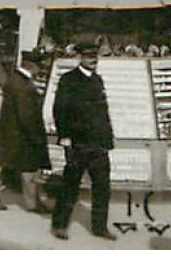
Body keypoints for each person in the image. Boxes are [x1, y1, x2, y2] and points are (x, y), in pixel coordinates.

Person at [50, 42, 116, 241]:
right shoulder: (69, 80)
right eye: (88, 57)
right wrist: (65, 136)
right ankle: (60, 225)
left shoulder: (97, 80)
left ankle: (99, 227)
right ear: (79, 58)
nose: (93, 60)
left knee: (102, 187)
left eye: (95, 56)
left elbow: (103, 112)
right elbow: (59, 109)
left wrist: (108, 139)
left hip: (98, 144)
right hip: (77, 143)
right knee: (70, 186)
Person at [0, 46, 50, 213]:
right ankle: (32, 204)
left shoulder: (16, 80)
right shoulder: (24, 86)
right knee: (28, 169)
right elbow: (26, 115)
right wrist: (37, 137)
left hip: (12, 134)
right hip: (21, 136)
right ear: (32, 66)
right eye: (39, 66)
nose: (40, 69)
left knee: (10, 167)